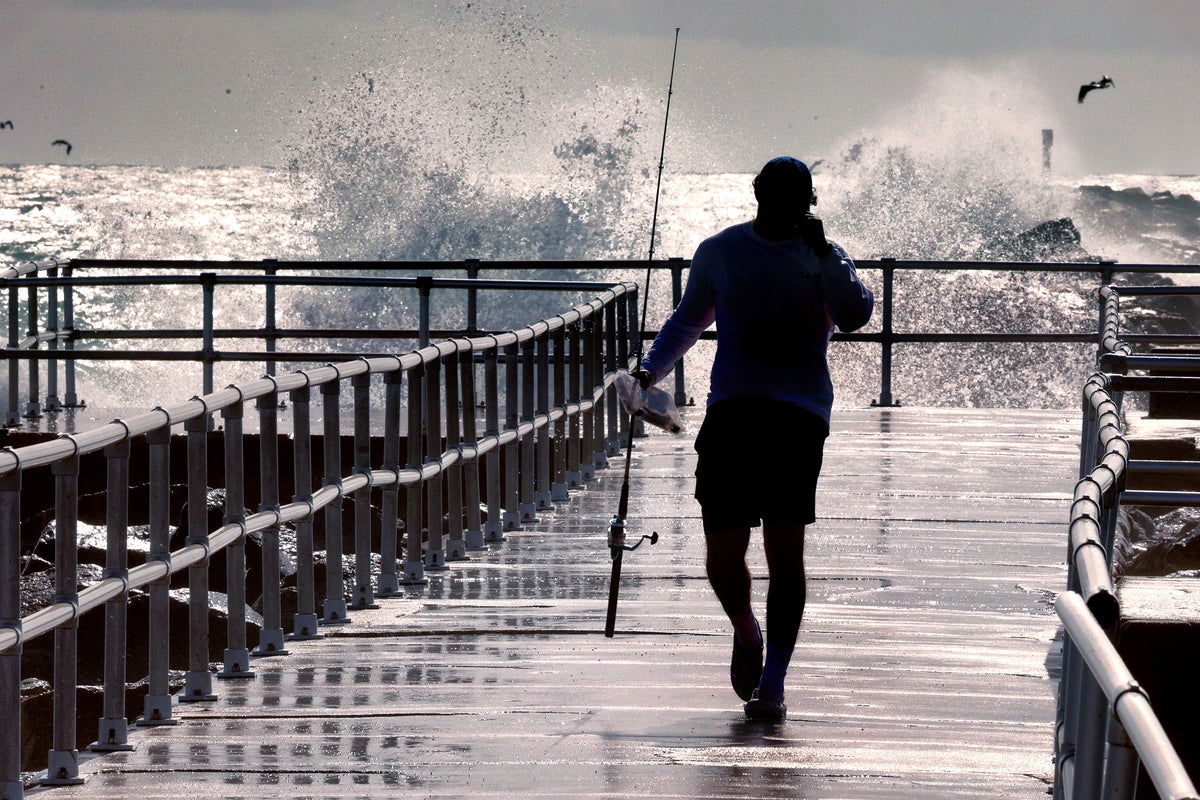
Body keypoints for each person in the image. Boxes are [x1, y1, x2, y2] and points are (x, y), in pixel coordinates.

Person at [632, 156, 873, 721]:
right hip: (733, 411)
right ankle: (746, 631)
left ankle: (775, 682)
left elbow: (855, 315)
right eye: (776, 197)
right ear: (758, 195)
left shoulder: (825, 255)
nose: (786, 209)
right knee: (722, 554)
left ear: (809, 205)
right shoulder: (720, 251)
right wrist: (648, 372)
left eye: (796, 201)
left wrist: (826, 255)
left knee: (785, 553)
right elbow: (687, 322)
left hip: (798, 416)